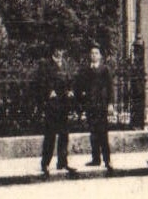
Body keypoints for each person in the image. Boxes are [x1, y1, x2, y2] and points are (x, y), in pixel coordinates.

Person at [37, 44, 75, 176]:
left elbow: (69, 80)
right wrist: (49, 91)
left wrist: (70, 91)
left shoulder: (65, 64)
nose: (60, 52)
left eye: (62, 50)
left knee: (64, 134)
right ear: (54, 51)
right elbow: (41, 82)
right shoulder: (46, 65)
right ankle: (45, 163)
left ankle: (62, 162)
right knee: (50, 135)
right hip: (52, 105)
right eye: (58, 50)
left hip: (64, 104)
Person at [74, 44, 113, 171]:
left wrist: (110, 104)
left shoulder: (105, 69)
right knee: (93, 133)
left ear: (100, 56)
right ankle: (96, 159)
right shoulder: (86, 70)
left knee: (103, 133)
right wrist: (82, 100)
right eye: (92, 53)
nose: (94, 55)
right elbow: (80, 86)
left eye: (96, 53)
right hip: (90, 105)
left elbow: (110, 88)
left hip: (101, 105)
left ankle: (107, 160)